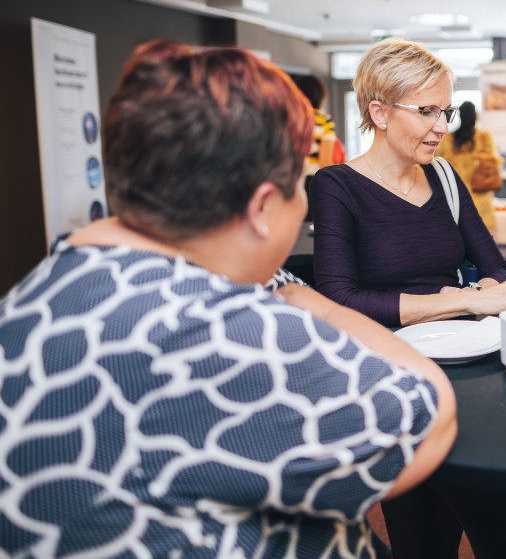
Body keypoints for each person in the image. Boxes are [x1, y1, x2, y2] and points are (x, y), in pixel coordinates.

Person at [0, 40, 456, 559]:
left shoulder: (34, 297)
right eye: (297, 184)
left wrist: (284, 286)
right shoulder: (221, 330)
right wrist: (305, 301)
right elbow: (427, 417)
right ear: (263, 206)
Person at [310, 37, 506, 558]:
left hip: (471, 374)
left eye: (448, 109)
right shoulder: (337, 186)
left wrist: (491, 288)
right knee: (424, 537)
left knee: (497, 521)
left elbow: (492, 266)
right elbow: (338, 299)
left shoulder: (444, 176)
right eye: (427, 111)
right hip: (394, 385)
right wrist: (463, 301)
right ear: (380, 112)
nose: (443, 125)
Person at [436, 101, 500, 232]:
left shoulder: (447, 139)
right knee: (484, 247)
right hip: (481, 199)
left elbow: (436, 163)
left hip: (454, 199)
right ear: (476, 116)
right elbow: (496, 162)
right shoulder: (484, 137)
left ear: (460, 116)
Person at [291, 72, 346, 172]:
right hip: (314, 177)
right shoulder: (323, 120)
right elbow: (325, 161)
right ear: (319, 95)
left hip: (294, 177)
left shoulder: (290, 118)